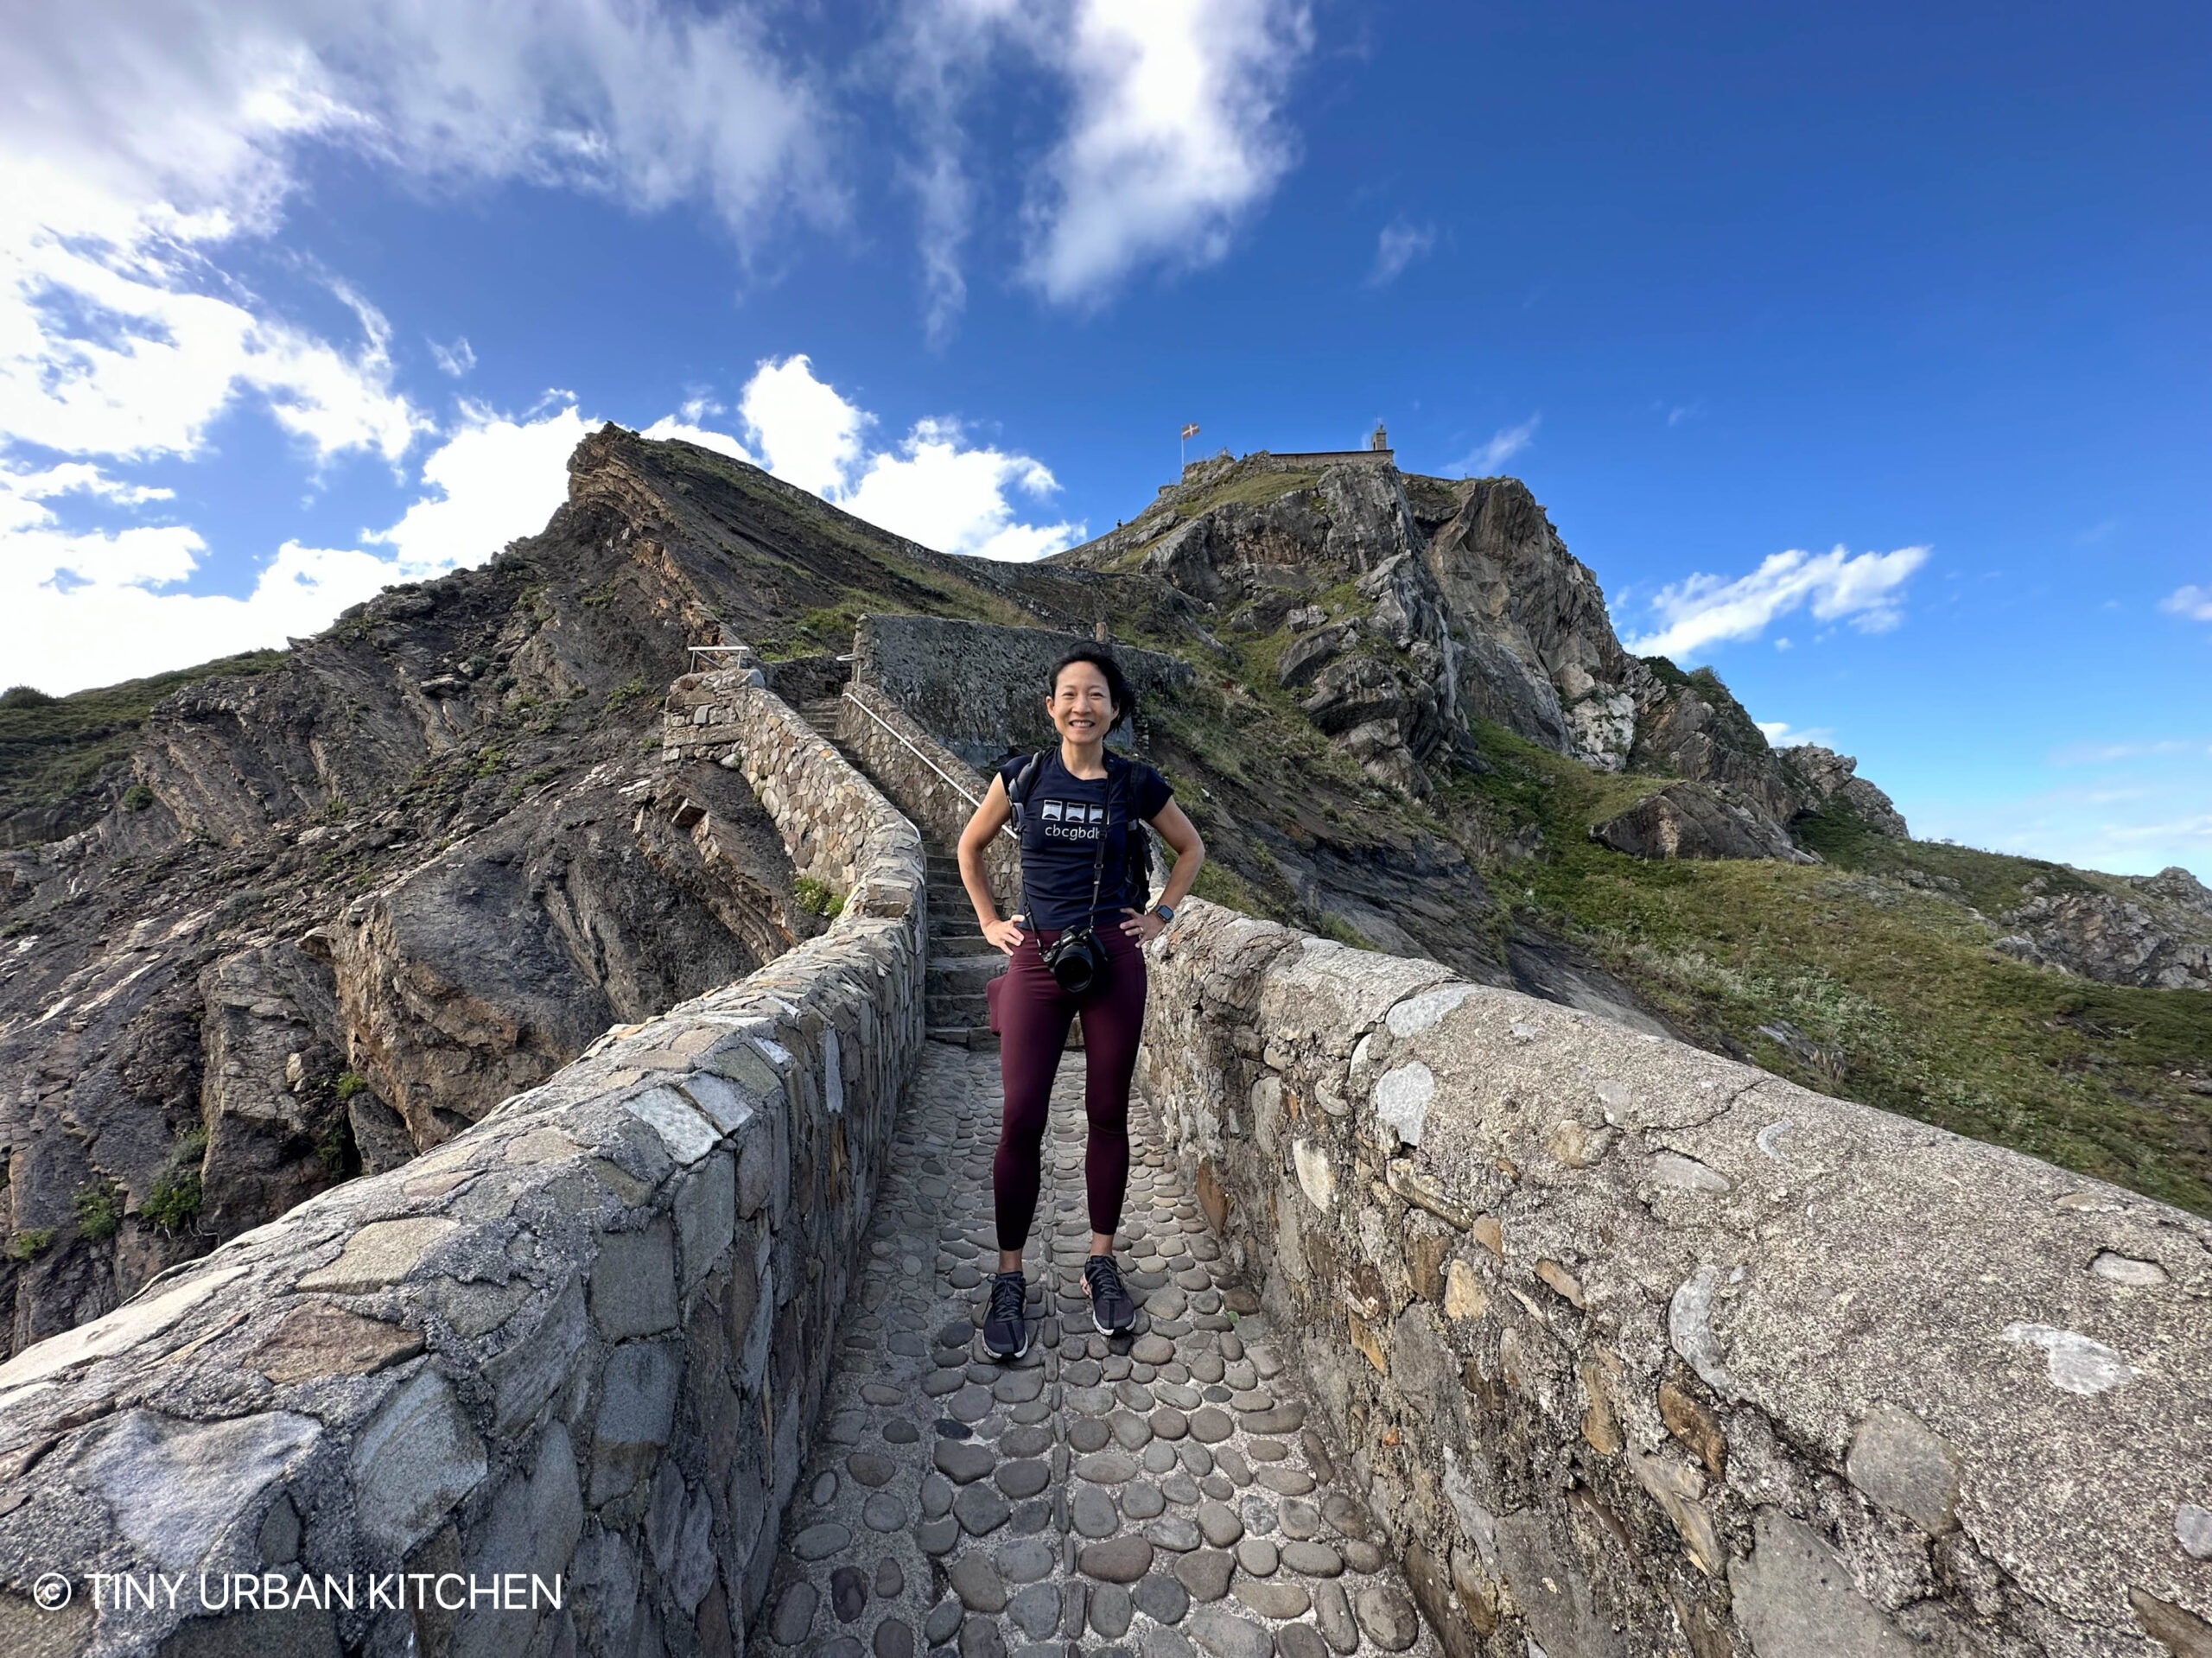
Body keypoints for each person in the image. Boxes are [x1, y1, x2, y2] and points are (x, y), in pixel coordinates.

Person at [956, 647, 1205, 1360]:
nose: (1081, 706)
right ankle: (1009, 1276)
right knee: (1020, 1119)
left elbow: (1190, 848)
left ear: (1114, 710)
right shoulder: (1024, 776)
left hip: (1113, 959)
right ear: (1051, 707)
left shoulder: (1135, 782)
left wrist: (1159, 916)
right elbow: (970, 846)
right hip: (1036, 959)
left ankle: (1100, 1260)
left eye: (1095, 695)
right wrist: (988, 921)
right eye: (1069, 694)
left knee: (1107, 1113)